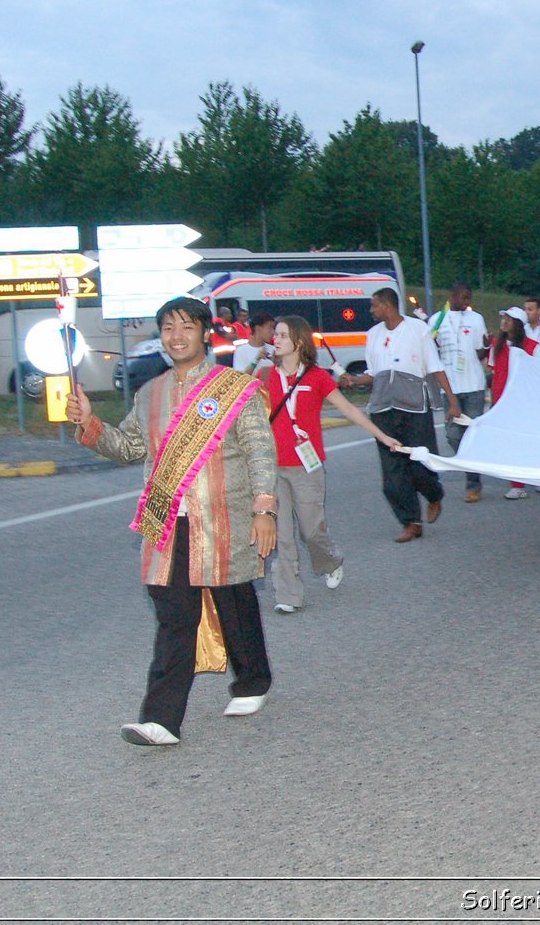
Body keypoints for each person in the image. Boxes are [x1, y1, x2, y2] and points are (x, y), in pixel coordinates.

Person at [66, 296, 278, 747]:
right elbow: (128, 448)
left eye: (185, 326)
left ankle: (253, 679)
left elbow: (262, 450)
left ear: (205, 332)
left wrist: (264, 510)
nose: (176, 336)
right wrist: (91, 424)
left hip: (224, 518)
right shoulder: (151, 394)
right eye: (167, 328)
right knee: (174, 615)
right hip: (168, 521)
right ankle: (160, 719)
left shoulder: (234, 387)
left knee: (234, 602)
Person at [264, 315, 402, 613]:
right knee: (283, 536)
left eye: (283, 335)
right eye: (275, 335)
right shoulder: (267, 376)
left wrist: (383, 437)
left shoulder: (316, 377)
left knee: (311, 530)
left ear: (299, 341)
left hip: (307, 467)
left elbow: (349, 409)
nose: (276, 339)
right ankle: (288, 596)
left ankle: (330, 560)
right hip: (274, 467)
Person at [339, 288, 456, 542]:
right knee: (393, 472)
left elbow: (435, 366)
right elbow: (373, 373)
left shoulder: (417, 329)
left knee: (420, 464)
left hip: (414, 407)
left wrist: (453, 402)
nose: (371, 311)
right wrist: (354, 379)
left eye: (374, 306)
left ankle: (434, 494)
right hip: (383, 409)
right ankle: (411, 522)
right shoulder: (373, 335)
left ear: (388, 306)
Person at [434, 283, 489, 503]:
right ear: (453, 296)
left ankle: (473, 483)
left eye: (470, 298)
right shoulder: (436, 320)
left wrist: (486, 346)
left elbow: (479, 353)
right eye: (464, 298)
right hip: (450, 389)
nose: (467, 302)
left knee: (472, 435)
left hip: (474, 386)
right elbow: (431, 349)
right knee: (453, 435)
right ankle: (471, 464)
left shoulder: (476, 319)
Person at [488, 306, 534, 499]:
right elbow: (493, 372)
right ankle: (521, 479)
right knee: (507, 441)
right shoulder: (496, 344)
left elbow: (537, 376)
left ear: (518, 324)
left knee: (522, 441)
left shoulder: (532, 346)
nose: (505, 321)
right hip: (500, 398)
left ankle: (519, 484)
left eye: (509, 318)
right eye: (504, 317)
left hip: (521, 401)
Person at [232, 312, 276, 378]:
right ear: (258, 328)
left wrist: (277, 362)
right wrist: (255, 361)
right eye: (270, 328)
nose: (273, 332)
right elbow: (240, 378)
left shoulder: (274, 350)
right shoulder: (241, 351)